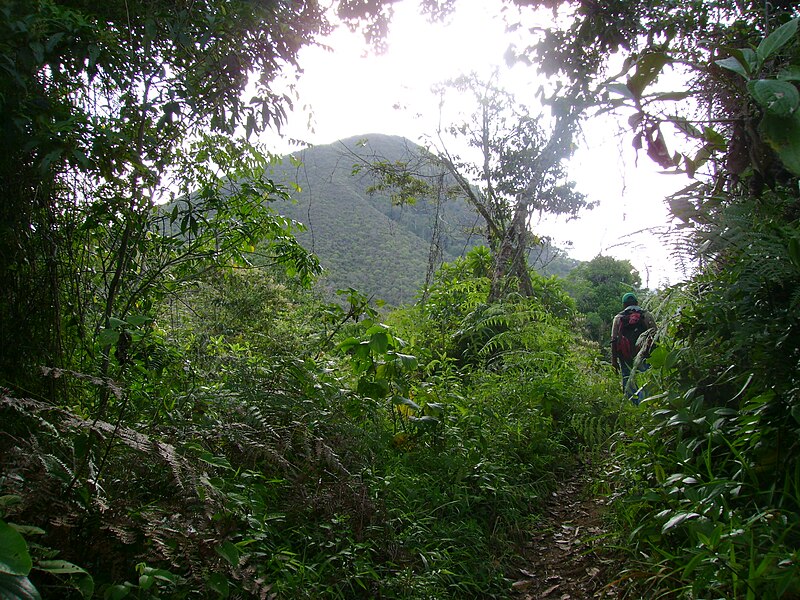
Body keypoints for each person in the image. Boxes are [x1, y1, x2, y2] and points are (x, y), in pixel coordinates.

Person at [611, 292, 657, 405]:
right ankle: (644, 405)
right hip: (644, 354)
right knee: (644, 379)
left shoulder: (618, 318)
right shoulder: (646, 315)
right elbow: (655, 335)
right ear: (637, 303)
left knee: (627, 380)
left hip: (625, 356)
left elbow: (613, 340)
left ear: (624, 305)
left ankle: (631, 406)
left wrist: (614, 361)